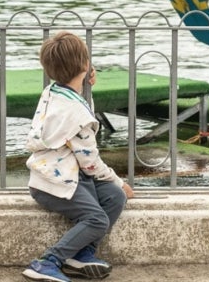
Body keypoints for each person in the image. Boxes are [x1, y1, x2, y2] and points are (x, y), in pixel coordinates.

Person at [22, 31, 134, 282]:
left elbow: (79, 108)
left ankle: (82, 255)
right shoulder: (76, 114)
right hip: (53, 183)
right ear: (85, 64)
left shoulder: (54, 91)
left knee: (114, 199)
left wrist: (86, 83)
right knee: (97, 219)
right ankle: (48, 261)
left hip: (67, 175)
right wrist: (119, 181)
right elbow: (90, 163)